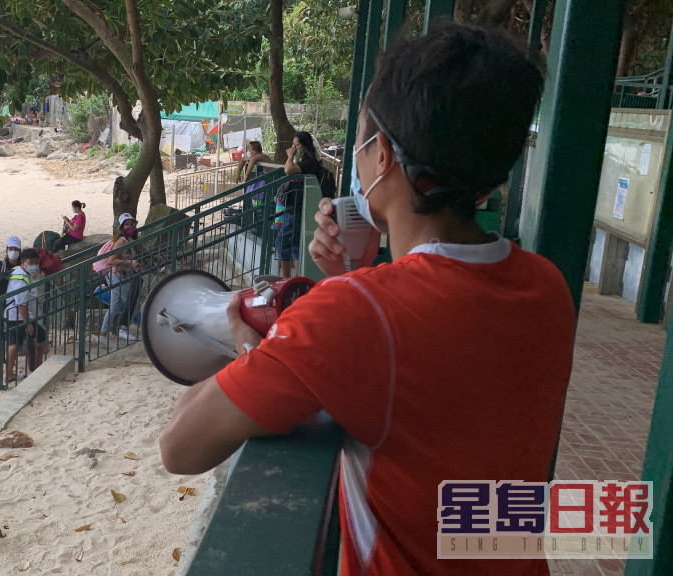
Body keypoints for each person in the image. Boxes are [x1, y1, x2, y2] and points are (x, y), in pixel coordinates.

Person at [159, 24, 574, 576]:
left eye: (360, 139)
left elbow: (179, 446)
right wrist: (355, 277)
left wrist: (254, 344)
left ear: (381, 156)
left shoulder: (356, 315)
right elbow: (432, 373)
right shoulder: (545, 286)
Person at [274, 130, 322, 277]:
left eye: (297, 145)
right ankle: (295, 278)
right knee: (295, 244)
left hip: (297, 207)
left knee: (281, 242)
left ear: (304, 145)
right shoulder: (305, 160)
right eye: (292, 145)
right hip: (295, 206)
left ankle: (286, 278)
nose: (293, 148)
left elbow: (288, 170)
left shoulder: (309, 161)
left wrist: (289, 156)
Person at [3, 249, 48, 383]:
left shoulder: (19, 271)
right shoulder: (22, 280)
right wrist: (27, 323)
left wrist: (33, 276)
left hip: (16, 315)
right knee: (14, 344)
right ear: (23, 263)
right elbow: (21, 304)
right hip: (18, 316)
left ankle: (34, 365)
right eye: (31, 263)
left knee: (35, 337)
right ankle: (10, 373)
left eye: (36, 263)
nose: (34, 265)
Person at [99, 213, 140, 344]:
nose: (130, 226)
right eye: (127, 224)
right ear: (122, 226)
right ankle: (123, 328)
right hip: (118, 276)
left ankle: (103, 334)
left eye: (132, 224)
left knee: (114, 307)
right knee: (133, 303)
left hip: (120, 276)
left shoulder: (130, 239)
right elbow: (111, 260)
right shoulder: (122, 241)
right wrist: (131, 262)